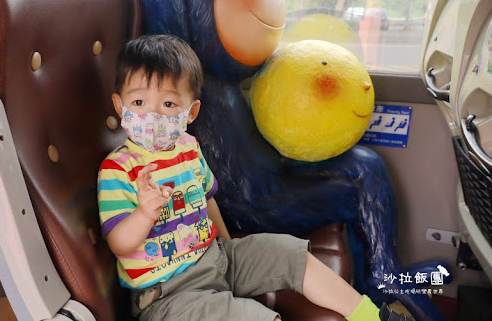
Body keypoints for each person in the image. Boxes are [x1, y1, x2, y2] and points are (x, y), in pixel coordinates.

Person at [97, 35, 409, 320]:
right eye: (139, 103)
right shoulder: (118, 168)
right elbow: (119, 243)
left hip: (214, 258)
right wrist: (144, 213)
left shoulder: (188, 147)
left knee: (290, 254)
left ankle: (372, 317)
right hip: (169, 294)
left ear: (190, 113)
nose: (154, 116)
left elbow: (206, 198)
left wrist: (228, 248)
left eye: (168, 104)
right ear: (119, 105)